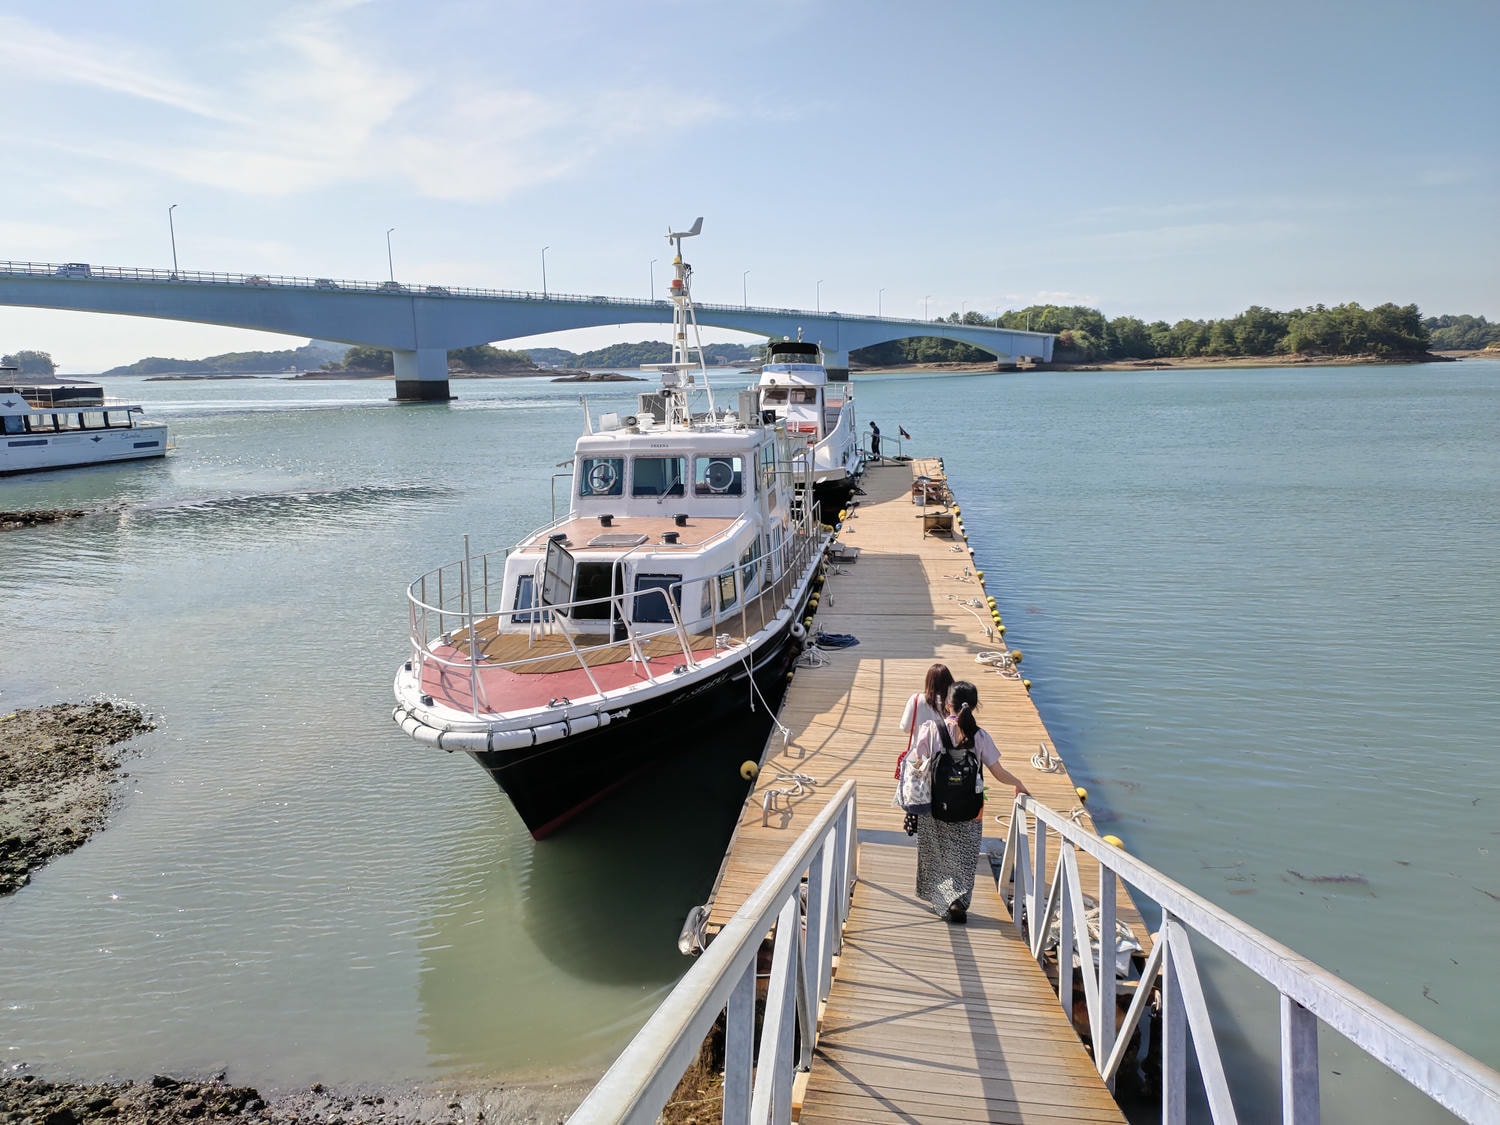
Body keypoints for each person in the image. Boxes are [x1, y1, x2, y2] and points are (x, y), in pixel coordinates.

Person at [909, 680, 1031, 924]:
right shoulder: (980, 736)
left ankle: (943, 901)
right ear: (975, 706)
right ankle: (958, 902)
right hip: (970, 810)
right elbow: (997, 771)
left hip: (935, 807)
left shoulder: (930, 729)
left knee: (936, 854)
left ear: (946, 703)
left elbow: (916, 766)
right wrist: (1019, 783)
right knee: (964, 857)